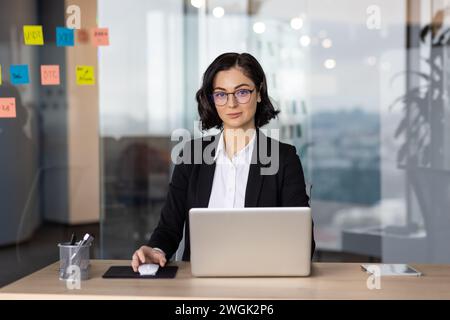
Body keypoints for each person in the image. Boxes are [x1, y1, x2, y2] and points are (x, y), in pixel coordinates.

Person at [131, 52, 315, 271]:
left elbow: (302, 241)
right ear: (212, 99)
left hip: (262, 279)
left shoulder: (283, 159)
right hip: (199, 281)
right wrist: (157, 250)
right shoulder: (192, 155)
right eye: (221, 94)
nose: (232, 103)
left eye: (242, 92)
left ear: (259, 93)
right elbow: (169, 227)